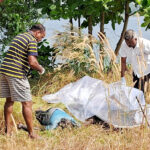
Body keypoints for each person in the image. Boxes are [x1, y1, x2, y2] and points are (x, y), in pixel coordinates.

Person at [0, 24, 46, 138]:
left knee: (9, 101)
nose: (41, 39)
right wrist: (41, 69)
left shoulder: (20, 36)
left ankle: (8, 131)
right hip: (16, 73)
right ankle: (31, 134)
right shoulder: (32, 40)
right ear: (37, 33)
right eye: (42, 37)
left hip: (4, 71)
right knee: (27, 103)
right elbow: (32, 62)